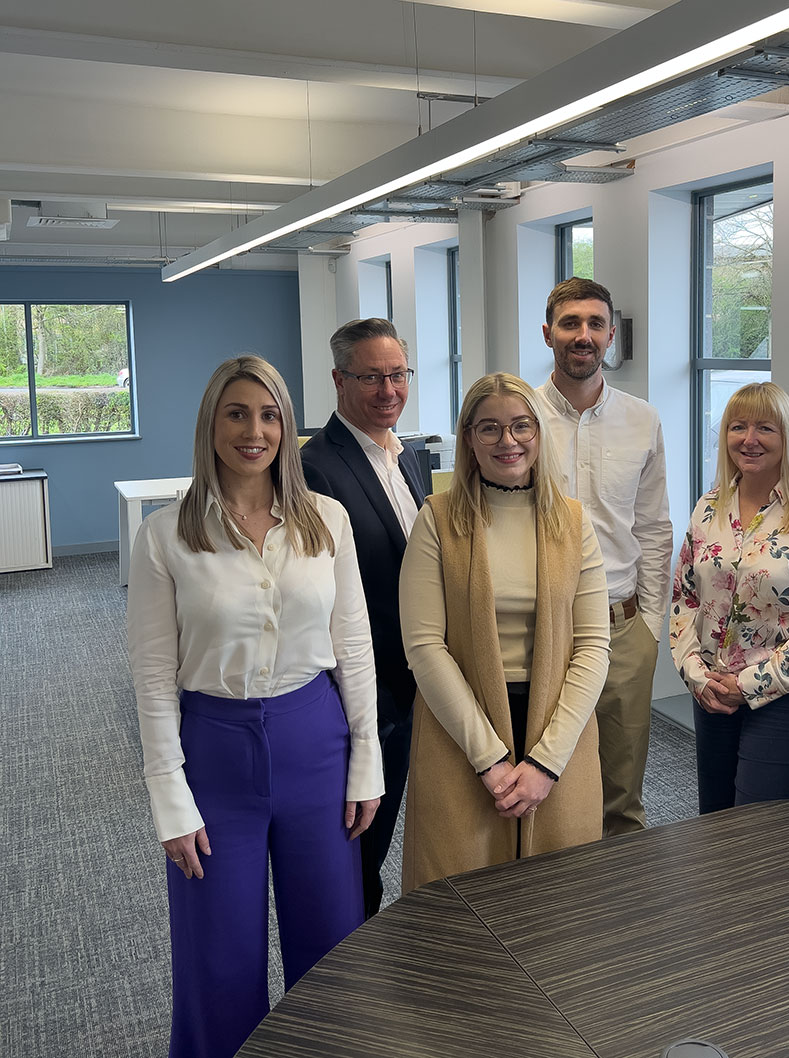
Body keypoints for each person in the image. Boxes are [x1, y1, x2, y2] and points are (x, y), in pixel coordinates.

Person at [127, 356, 383, 1058]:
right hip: (213, 750)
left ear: (286, 427)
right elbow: (151, 678)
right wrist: (168, 799)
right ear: (211, 424)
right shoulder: (166, 535)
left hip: (314, 740)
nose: (254, 430)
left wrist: (367, 762)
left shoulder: (324, 520)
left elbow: (353, 645)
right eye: (236, 413)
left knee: (331, 947)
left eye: (269, 415)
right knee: (219, 958)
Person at [399, 372, 609, 891]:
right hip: (462, 730)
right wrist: (490, 759)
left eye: (520, 426)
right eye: (489, 428)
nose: (507, 441)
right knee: (462, 899)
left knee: (559, 904)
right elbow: (425, 647)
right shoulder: (438, 519)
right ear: (468, 436)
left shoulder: (574, 522)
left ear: (539, 432)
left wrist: (547, 762)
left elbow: (592, 648)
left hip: (556, 728)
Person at [670, 381, 789, 811]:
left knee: (758, 825)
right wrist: (696, 673)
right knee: (713, 817)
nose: (749, 440)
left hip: (787, 698)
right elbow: (684, 599)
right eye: (738, 427)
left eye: (765, 428)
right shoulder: (709, 507)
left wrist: (746, 685)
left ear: (787, 437)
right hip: (712, 691)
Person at [536, 277, 672, 837]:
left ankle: (620, 909)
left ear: (611, 334)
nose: (583, 335)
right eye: (570, 324)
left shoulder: (643, 419)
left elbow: (654, 527)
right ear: (548, 334)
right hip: (540, 627)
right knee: (546, 776)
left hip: (622, 626)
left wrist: (651, 625)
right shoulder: (519, 417)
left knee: (621, 788)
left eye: (595, 324)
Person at [301, 317, 425, 916]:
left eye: (397, 374)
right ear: (338, 380)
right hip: (360, 694)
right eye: (371, 377)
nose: (388, 390)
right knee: (355, 847)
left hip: (409, 684)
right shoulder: (313, 469)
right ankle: (347, 972)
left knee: (381, 838)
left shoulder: (408, 457)